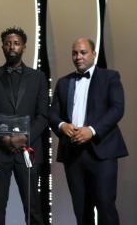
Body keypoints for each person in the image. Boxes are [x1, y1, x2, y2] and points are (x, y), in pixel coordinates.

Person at [50, 38, 128, 225]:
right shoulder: (63, 82)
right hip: (74, 154)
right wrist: (62, 126)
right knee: (81, 209)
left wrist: (92, 130)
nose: (78, 57)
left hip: (102, 152)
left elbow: (117, 109)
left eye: (83, 52)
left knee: (105, 205)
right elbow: (52, 114)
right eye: (75, 53)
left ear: (94, 54)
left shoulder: (110, 77)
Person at [0, 27, 48, 225]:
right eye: (8, 43)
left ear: (23, 47)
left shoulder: (38, 77)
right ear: (2, 46)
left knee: (33, 209)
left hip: (27, 151)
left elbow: (43, 116)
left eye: (16, 43)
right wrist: (3, 137)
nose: (12, 46)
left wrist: (25, 137)